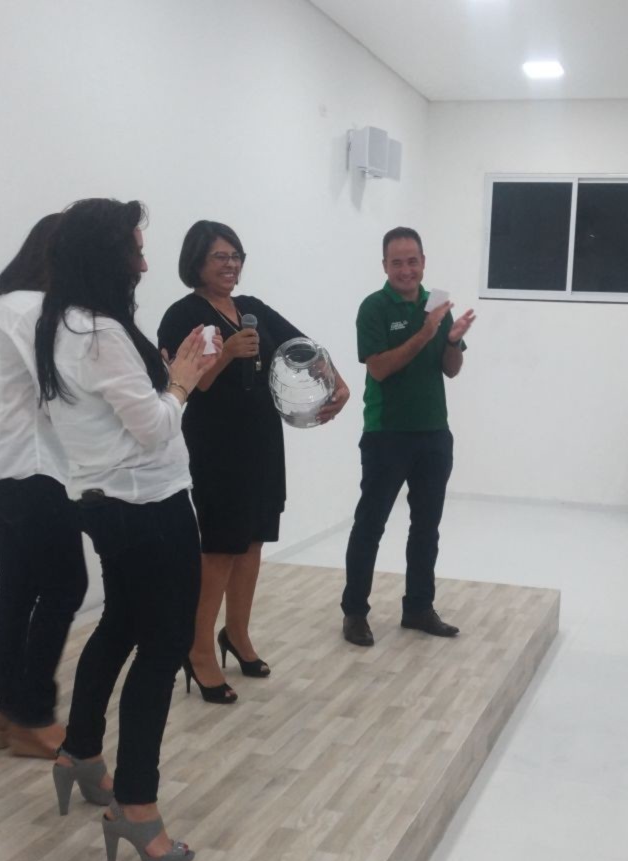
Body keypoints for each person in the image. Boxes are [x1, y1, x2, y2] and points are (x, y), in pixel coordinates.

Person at [36, 198, 217, 861]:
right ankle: (137, 808)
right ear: (106, 256)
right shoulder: (100, 332)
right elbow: (154, 427)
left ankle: (81, 750)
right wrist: (181, 384)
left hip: (104, 501)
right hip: (148, 506)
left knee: (120, 623)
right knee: (163, 649)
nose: (143, 263)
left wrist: (163, 379)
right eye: (135, 250)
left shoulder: (61, 322)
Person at [157, 220, 349, 704]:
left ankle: (237, 634)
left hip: (261, 440)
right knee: (220, 548)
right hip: (215, 445)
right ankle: (199, 649)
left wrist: (337, 381)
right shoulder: (183, 315)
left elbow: (304, 348)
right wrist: (228, 354)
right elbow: (191, 383)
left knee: (253, 541)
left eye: (236, 256)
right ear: (196, 261)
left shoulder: (252, 309)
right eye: (220, 257)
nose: (231, 265)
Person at [0, 213, 88, 759]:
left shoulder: (13, 306)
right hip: (31, 468)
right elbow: (65, 386)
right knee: (64, 585)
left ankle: (8, 707)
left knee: (17, 588)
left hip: (5, 469)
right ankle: (31, 716)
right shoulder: (34, 309)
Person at [340, 227, 476, 646]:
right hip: (386, 435)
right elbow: (379, 368)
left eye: (412, 261)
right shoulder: (374, 308)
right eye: (397, 262)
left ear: (423, 262)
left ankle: (418, 607)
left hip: (434, 434)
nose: (406, 269)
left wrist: (451, 340)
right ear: (385, 266)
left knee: (426, 527)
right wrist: (425, 333)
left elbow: (451, 369)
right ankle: (354, 613)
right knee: (370, 525)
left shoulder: (437, 307)